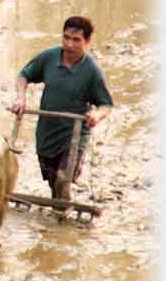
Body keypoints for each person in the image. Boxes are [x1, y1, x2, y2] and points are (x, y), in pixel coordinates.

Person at [11, 15, 113, 201]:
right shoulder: (49, 57)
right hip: (47, 133)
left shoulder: (92, 70)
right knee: (53, 183)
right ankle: (59, 214)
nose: (69, 44)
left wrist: (96, 115)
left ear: (87, 41)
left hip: (74, 135)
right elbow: (24, 76)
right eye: (66, 37)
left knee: (62, 180)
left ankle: (62, 217)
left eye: (76, 40)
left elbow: (105, 104)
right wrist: (21, 98)